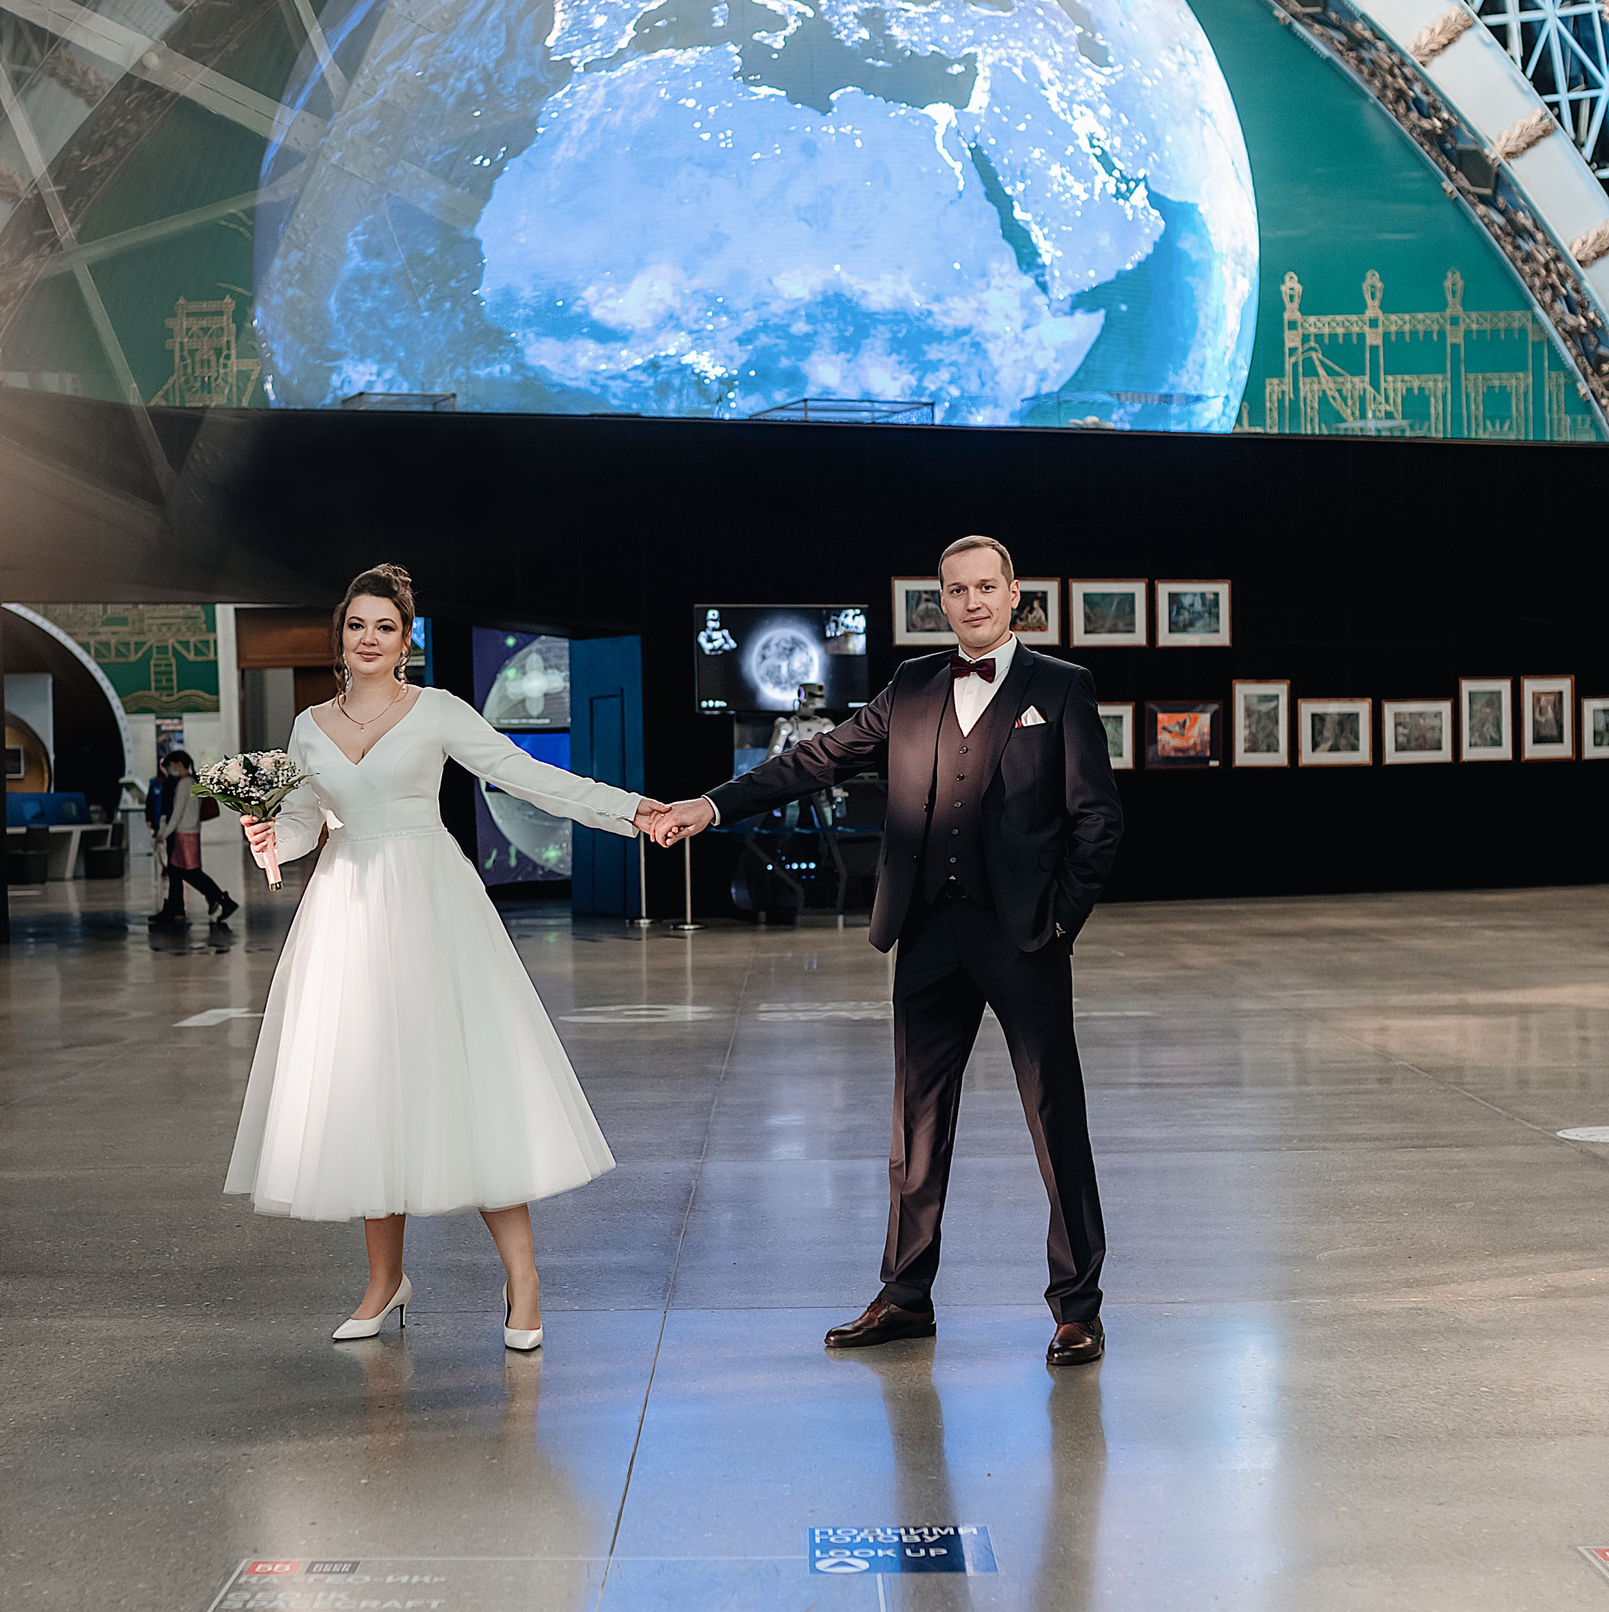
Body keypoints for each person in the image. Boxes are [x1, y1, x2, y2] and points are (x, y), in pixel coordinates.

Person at [649, 534, 1123, 1367]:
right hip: (928, 933)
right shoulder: (911, 685)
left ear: (1014, 594)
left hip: (1023, 937)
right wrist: (712, 806)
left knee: (1056, 1119)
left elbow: (1098, 819)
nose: (972, 601)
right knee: (916, 1124)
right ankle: (905, 1296)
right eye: (956, 590)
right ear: (941, 601)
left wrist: (1059, 921)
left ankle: (1077, 1307)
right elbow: (817, 759)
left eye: (986, 587)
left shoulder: (1061, 687)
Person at [227, 561, 665, 1351]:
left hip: (431, 905)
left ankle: (524, 1279)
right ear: (340, 637)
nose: (368, 639)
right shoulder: (308, 725)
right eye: (356, 626)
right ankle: (384, 1281)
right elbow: (304, 824)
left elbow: (526, 777)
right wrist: (269, 837)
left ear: (407, 641)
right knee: (367, 1088)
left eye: (384, 627)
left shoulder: (437, 711)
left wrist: (631, 810)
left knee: (466, 1085)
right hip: (346, 910)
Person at [151, 750, 239, 933]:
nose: (170, 770)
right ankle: (179, 908)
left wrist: (164, 834)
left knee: (191, 873)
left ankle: (222, 899)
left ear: (178, 764)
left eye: (171, 765)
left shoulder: (185, 784)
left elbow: (178, 813)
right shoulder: (193, 781)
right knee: (179, 871)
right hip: (190, 832)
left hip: (184, 834)